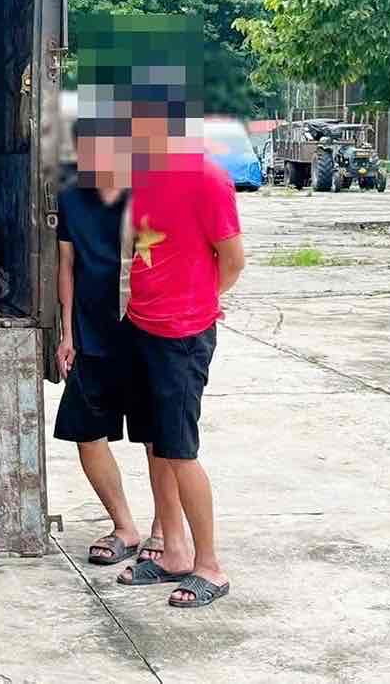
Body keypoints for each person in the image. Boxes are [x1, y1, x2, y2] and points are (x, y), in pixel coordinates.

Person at [115, 102, 245, 608]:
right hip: (143, 326)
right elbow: (140, 250)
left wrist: (203, 303)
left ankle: (209, 565)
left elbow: (232, 260)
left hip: (182, 335)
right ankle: (173, 552)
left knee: (181, 450)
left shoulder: (207, 180)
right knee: (155, 444)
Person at [54, 123, 166, 566]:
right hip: (90, 332)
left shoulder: (149, 196)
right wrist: (67, 332)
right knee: (85, 432)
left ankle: (164, 529)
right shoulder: (72, 197)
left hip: (146, 332)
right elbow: (67, 265)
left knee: (159, 436)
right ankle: (124, 526)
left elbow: (171, 255)